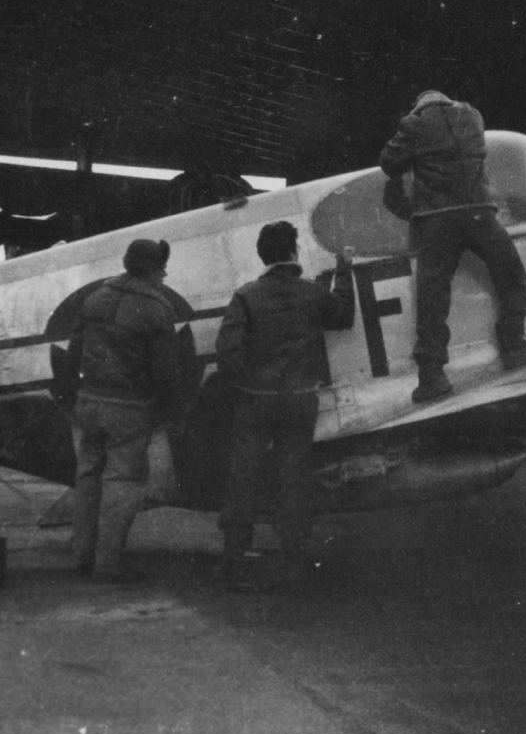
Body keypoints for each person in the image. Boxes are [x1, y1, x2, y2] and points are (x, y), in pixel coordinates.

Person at [379, 89, 526, 403]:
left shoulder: (414, 123)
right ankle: (514, 343)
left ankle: (432, 376)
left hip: (437, 219)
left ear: (419, 103)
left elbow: (389, 164)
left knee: (432, 298)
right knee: (511, 273)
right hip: (479, 212)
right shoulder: (471, 115)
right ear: (445, 99)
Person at [214, 221, 355, 593]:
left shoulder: (245, 296)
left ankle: (234, 559)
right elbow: (343, 317)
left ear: (263, 256)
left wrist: (244, 387)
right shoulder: (311, 293)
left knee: (244, 476)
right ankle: (293, 558)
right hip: (298, 401)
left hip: (256, 402)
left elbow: (227, 352)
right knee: (293, 478)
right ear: (293, 252)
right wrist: (343, 271)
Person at [67, 238, 185, 584]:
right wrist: (174, 414)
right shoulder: (156, 308)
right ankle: (107, 565)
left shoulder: (96, 298)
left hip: (89, 402)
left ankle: (81, 554)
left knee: (88, 476)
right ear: (150, 269)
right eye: (161, 267)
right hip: (129, 409)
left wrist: (76, 398)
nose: (165, 273)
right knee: (122, 481)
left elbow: (74, 353)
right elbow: (166, 371)